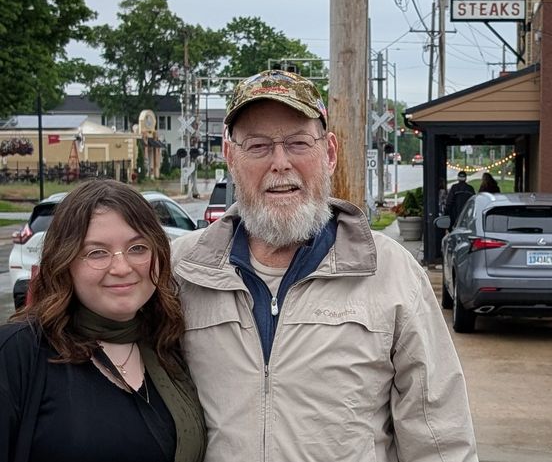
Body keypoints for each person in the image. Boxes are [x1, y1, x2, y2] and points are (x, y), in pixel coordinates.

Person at [172, 69, 478, 462]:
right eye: (258, 146)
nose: (280, 163)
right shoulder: (184, 269)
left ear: (329, 153)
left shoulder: (390, 272)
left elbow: (439, 435)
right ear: (231, 157)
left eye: (298, 143)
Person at [0, 180, 206, 462]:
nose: (121, 268)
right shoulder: (20, 352)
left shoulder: (168, 345)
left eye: (138, 248)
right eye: (97, 252)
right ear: (64, 262)